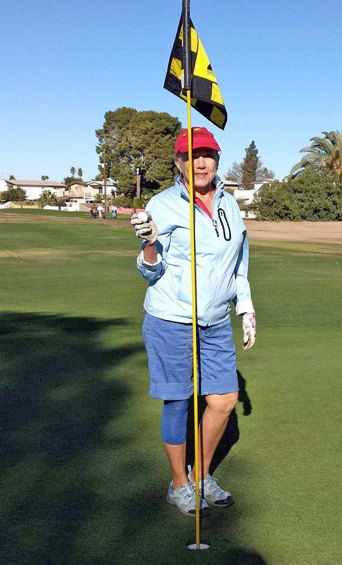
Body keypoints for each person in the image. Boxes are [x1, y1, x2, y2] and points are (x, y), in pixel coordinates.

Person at [130, 127, 257, 517]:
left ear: (217, 159)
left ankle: (200, 476)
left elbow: (238, 261)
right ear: (178, 162)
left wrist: (246, 306)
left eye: (207, 155)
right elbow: (150, 271)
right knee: (178, 400)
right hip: (171, 318)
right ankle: (179, 484)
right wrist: (150, 243)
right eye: (190, 155)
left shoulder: (229, 204)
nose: (200, 162)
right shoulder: (163, 204)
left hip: (216, 321)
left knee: (224, 400)